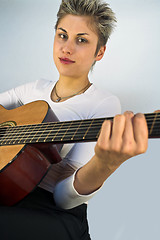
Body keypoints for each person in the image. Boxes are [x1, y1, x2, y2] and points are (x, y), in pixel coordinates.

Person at [0, 0, 148, 239]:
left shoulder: (103, 103)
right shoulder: (33, 89)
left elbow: (62, 199)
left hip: (51, 213)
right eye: (62, 35)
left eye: (81, 40)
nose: (66, 48)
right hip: (7, 193)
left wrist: (104, 164)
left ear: (99, 51)